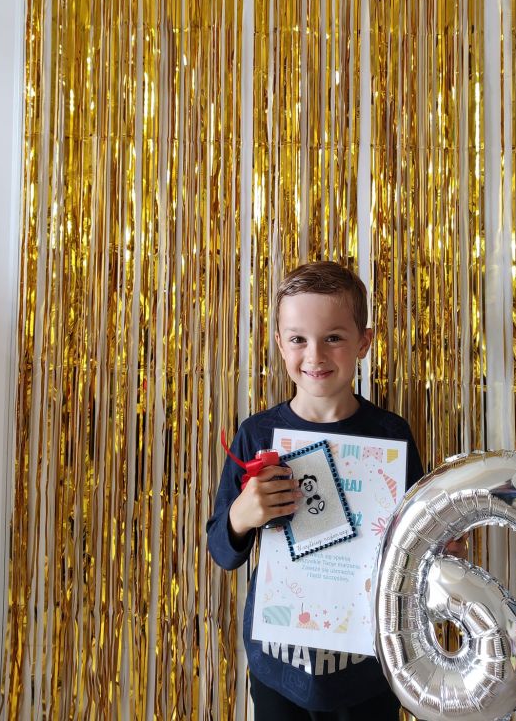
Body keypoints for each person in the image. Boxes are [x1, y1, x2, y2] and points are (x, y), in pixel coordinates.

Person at [206, 261, 444, 719]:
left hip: (369, 666)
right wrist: (241, 516)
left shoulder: (390, 435)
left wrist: (435, 546)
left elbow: (410, 545)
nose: (314, 356)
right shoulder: (257, 434)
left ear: (364, 342)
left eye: (333, 337)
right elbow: (222, 550)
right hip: (279, 664)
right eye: (298, 339)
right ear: (280, 343)